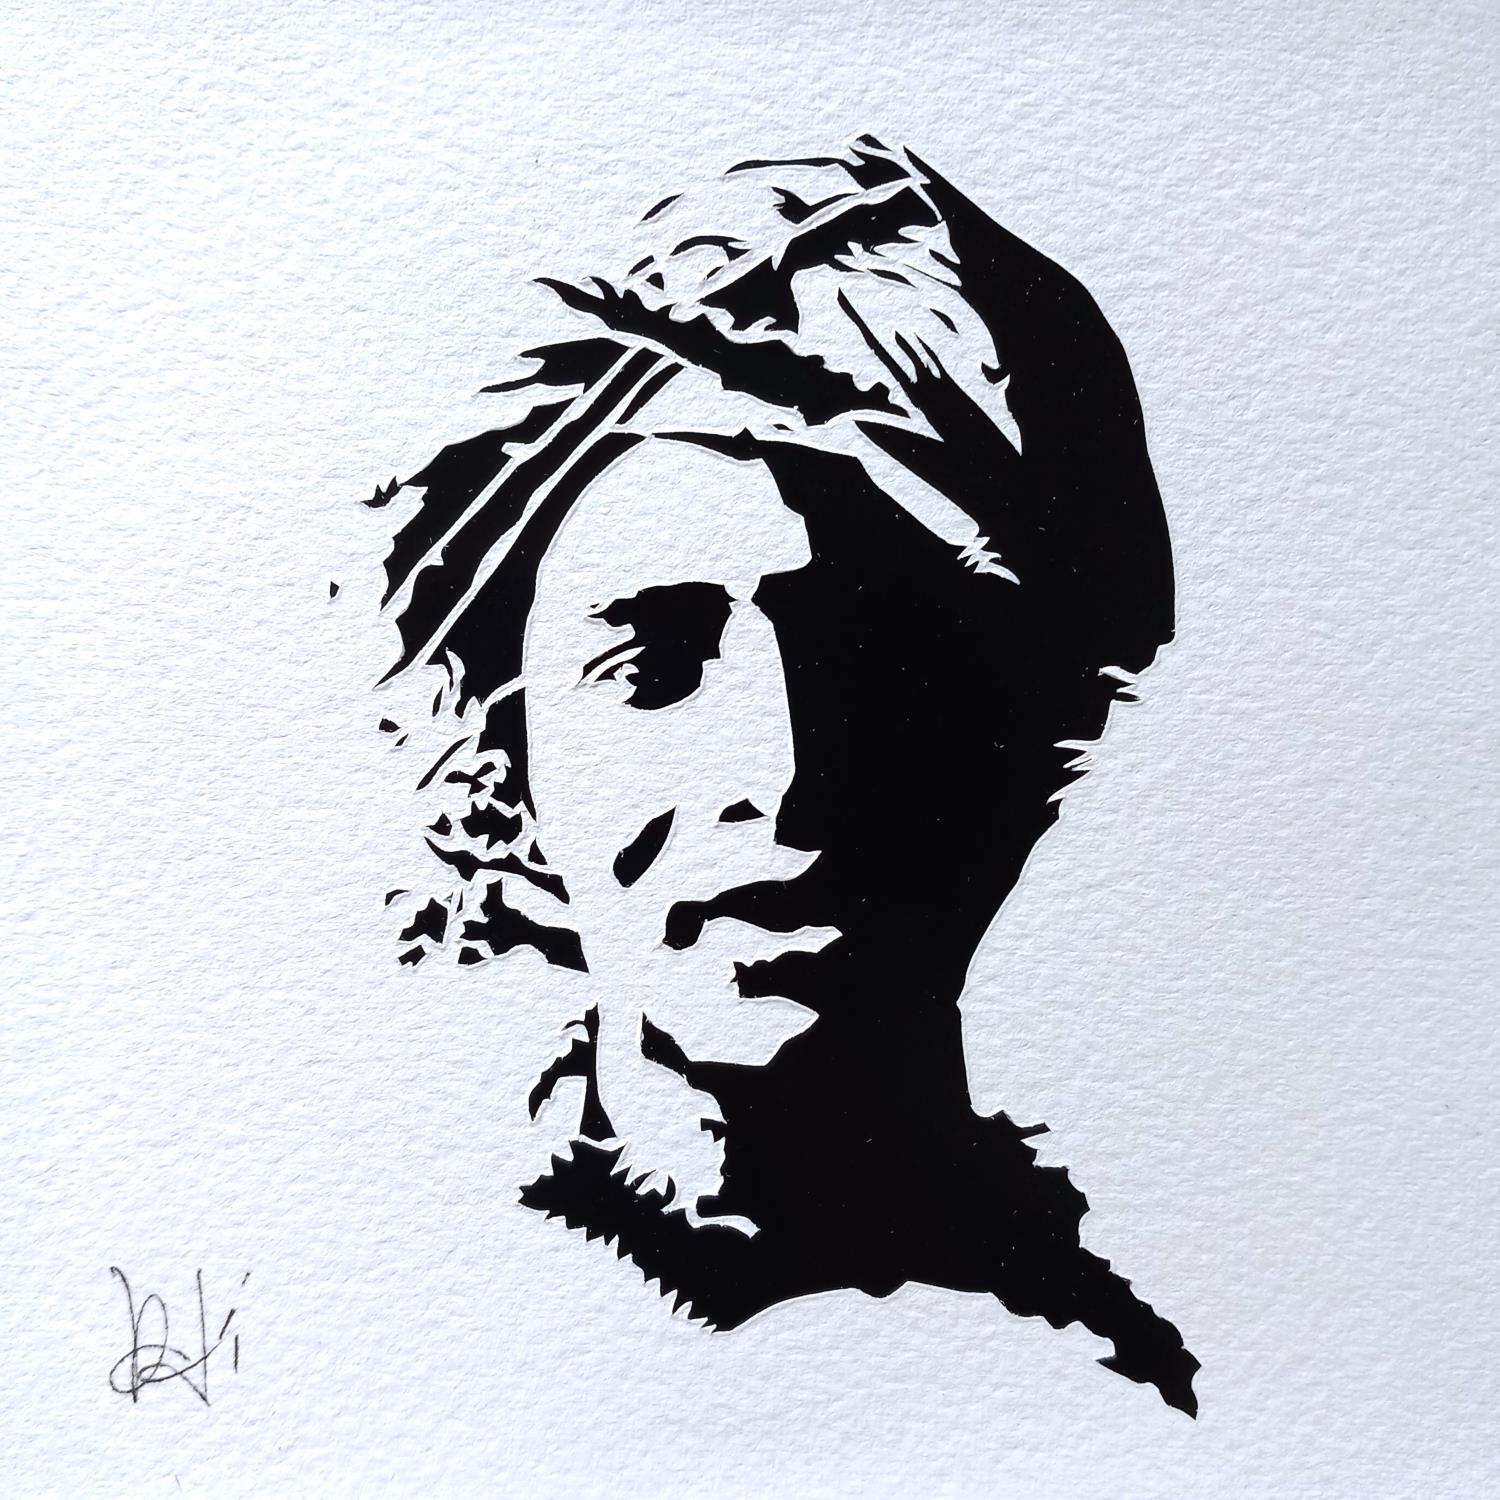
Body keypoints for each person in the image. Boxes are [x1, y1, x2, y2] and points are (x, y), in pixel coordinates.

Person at [368, 136, 1197, 1414]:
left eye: (879, 665)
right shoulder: (383, 1346)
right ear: (504, 773)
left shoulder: (1138, 1415)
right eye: (655, 664)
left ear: (1036, 748)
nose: (782, 781)